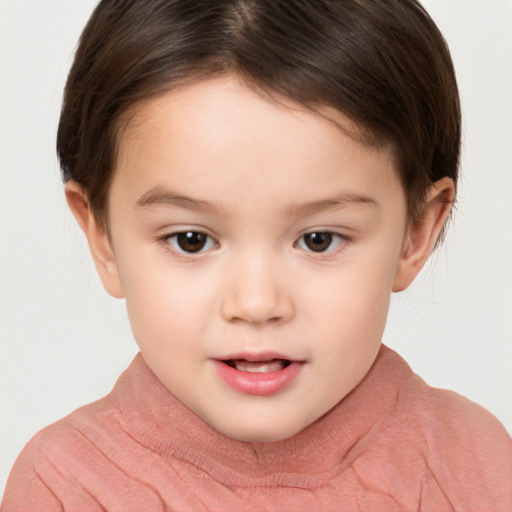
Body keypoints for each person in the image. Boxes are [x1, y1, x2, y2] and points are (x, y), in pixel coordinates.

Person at [2, 0, 511, 510]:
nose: (256, 302)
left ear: (415, 232)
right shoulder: (66, 486)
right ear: (102, 236)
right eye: (191, 240)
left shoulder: (473, 465)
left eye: (319, 239)